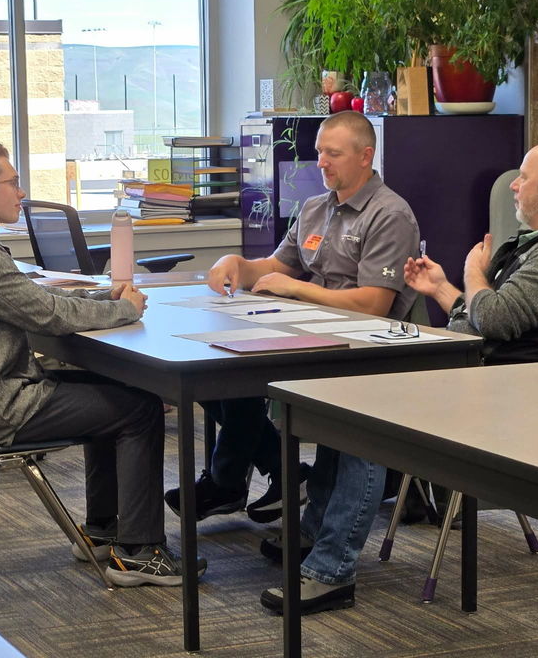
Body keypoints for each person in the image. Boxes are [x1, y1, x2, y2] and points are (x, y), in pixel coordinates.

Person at [0, 139, 205, 588]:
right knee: (139, 409)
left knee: (112, 392)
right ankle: (138, 552)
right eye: (13, 182)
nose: (21, 192)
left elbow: (37, 301)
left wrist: (97, 297)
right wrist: (125, 310)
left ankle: (102, 532)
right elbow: (48, 316)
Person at [169, 111, 421, 614]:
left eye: (334, 153)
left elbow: (374, 302)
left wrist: (296, 289)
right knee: (222, 380)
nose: (321, 162)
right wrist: (237, 265)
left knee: (356, 439)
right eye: (320, 152)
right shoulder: (314, 208)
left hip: (371, 354)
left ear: (366, 157)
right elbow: (275, 268)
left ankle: (332, 569)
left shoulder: (389, 214)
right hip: (311, 344)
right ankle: (307, 528)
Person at [404, 142, 538, 363]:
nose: (514, 185)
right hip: (476, 372)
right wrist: (440, 288)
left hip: (509, 384)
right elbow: (484, 313)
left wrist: (473, 270)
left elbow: (493, 320)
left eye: (524, 177)